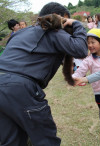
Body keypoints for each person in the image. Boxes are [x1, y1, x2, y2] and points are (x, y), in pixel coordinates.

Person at [0, 2, 88, 146]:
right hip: (20, 88)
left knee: (11, 141)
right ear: (59, 18)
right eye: (66, 22)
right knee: (45, 141)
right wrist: (77, 24)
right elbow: (81, 50)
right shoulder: (53, 32)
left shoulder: (21, 32)